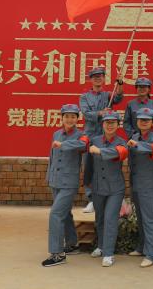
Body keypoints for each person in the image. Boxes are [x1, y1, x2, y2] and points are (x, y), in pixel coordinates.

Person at [41, 104, 89, 267]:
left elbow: (82, 146)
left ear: (77, 119)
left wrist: (64, 145)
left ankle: (57, 254)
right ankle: (72, 243)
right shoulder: (56, 134)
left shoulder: (82, 135)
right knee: (65, 213)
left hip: (69, 183)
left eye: (73, 116)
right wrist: (49, 177)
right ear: (61, 118)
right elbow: (52, 157)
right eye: (66, 116)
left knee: (56, 214)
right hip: (55, 180)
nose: (69, 119)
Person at [85, 111, 128, 267]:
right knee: (100, 219)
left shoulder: (122, 142)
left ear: (118, 125)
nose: (110, 125)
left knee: (110, 219)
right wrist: (87, 182)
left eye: (113, 122)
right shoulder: (94, 140)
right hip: (98, 187)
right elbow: (89, 163)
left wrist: (100, 151)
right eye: (107, 122)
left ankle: (109, 254)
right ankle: (101, 246)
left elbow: (119, 153)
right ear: (102, 124)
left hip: (115, 188)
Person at [80, 67, 124, 213]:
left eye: (100, 76)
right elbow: (86, 114)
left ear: (104, 78)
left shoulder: (108, 95)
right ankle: (91, 199)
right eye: (95, 76)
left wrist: (120, 83)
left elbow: (118, 97)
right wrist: (101, 113)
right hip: (91, 135)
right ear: (91, 79)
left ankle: (110, 195)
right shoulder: (85, 97)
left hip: (107, 136)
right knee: (89, 166)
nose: (98, 78)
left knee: (108, 164)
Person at [126, 108, 153, 267]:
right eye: (141, 119)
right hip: (136, 182)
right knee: (141, 218)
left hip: (149, 184)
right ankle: (142, 247)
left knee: (150, 219)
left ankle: (151, 254)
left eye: (147, 120)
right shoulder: (135, 136)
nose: (143, 122)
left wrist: (138, 145)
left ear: (152, 123)